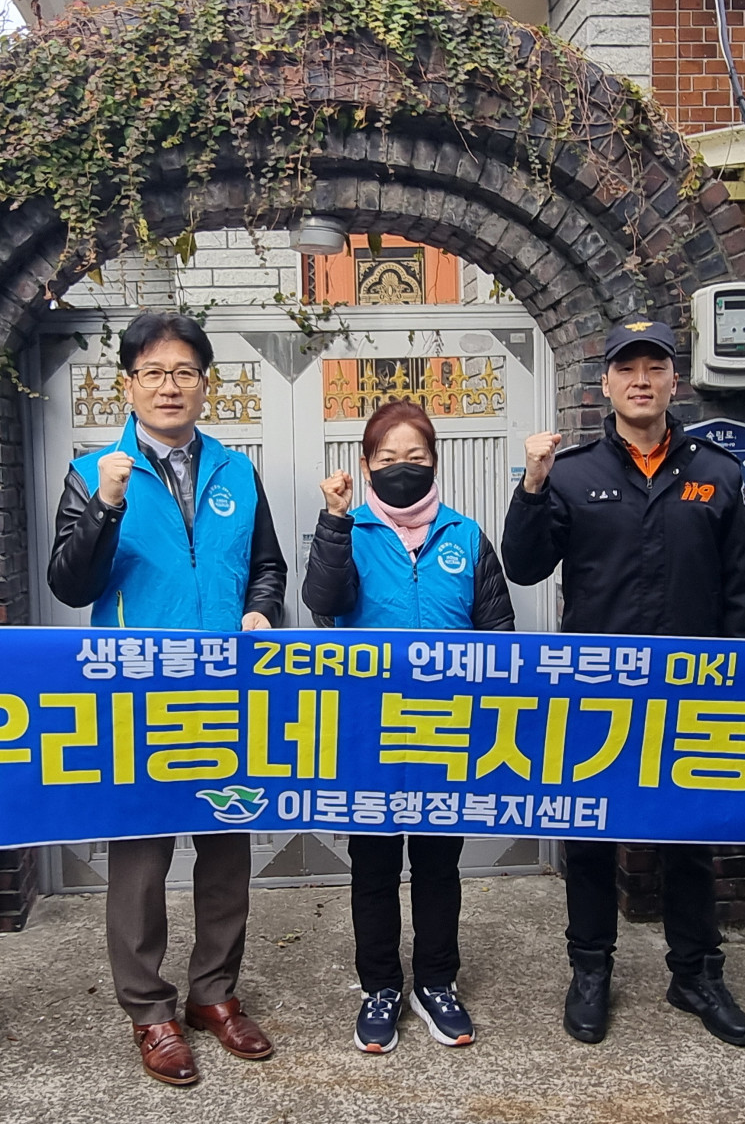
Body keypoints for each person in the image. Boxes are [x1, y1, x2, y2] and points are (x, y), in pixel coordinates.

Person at [500, 316, 745, 1048]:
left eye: (654, 367)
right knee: (589, 837)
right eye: (627, 368)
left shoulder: (717, 472)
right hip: (595, 694)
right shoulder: (574, 473)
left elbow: (744, 592)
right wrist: (532, 484)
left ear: (675, 381)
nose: (641, 380)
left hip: (692, 693)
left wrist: (744, 681)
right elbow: (524, 566)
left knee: (689, 835)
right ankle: (590, 970)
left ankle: (696, 974)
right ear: (607, 383)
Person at [47, 311, 287, 1086]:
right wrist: (106, 504)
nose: (170, 385)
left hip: (226, 690)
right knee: (141, 859)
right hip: (137, 694)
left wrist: (263, 610)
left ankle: (214, 992)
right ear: (128, 384)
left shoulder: (237, 472)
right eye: (153, 372)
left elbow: (267, 566)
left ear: (205, 384)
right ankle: (150, 1009)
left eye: (184, 371)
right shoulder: (94, 472)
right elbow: (69, 583)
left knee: (226, 848)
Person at [301, 401, 515, 1054]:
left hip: (445, 731)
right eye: (388, 457)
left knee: (438, 864)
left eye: (415, 457)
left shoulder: (466, 536)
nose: (403, 467)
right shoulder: (349, 530)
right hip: (368, 732)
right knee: (372, 865)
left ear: (434, 463)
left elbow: (499, 633)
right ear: (367, 465)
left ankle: (436, 982)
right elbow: (322, 603)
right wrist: (334, 520)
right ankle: (380, 988)